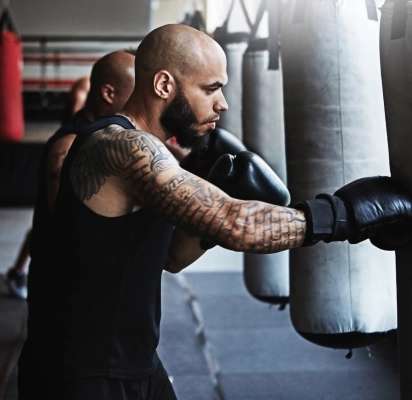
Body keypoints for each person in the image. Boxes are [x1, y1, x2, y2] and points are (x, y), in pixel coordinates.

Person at [18, 24, 412, 400]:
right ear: (164, 85)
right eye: (211, 89)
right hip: (82, 372)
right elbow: (239, 225)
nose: (222, 103)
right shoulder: (123, 147)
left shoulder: (150, 152)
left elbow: (171, 257)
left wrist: (207, 219)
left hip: (131, 359)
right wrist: (347, 213)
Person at [4, 52, 135, 301]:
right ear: (109, 94)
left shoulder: (111, 137)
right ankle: (18, 273)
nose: (139, 103)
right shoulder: (70, 145)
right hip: (64, 288)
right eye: (135, 94)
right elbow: (65, 222)